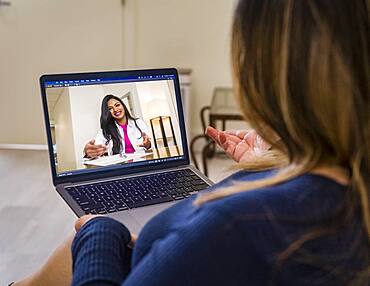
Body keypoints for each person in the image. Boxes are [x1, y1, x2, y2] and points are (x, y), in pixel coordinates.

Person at [11, 0, 369, 285]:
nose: (118, 110)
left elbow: (221, 236)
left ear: (264, 67)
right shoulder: (351, 190)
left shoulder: (234, 225)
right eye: (113, 107)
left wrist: (99, 231)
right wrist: (276, 162)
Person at [84, 94, 151, 158]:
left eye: (117, 105)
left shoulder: (139, 122)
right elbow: (95, 146)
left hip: (141, 162)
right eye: (110, 109)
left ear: (123, 105)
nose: (115, 110)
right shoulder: (106, 130)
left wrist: (148, 145)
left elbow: (149, 145)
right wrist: (89, 152)